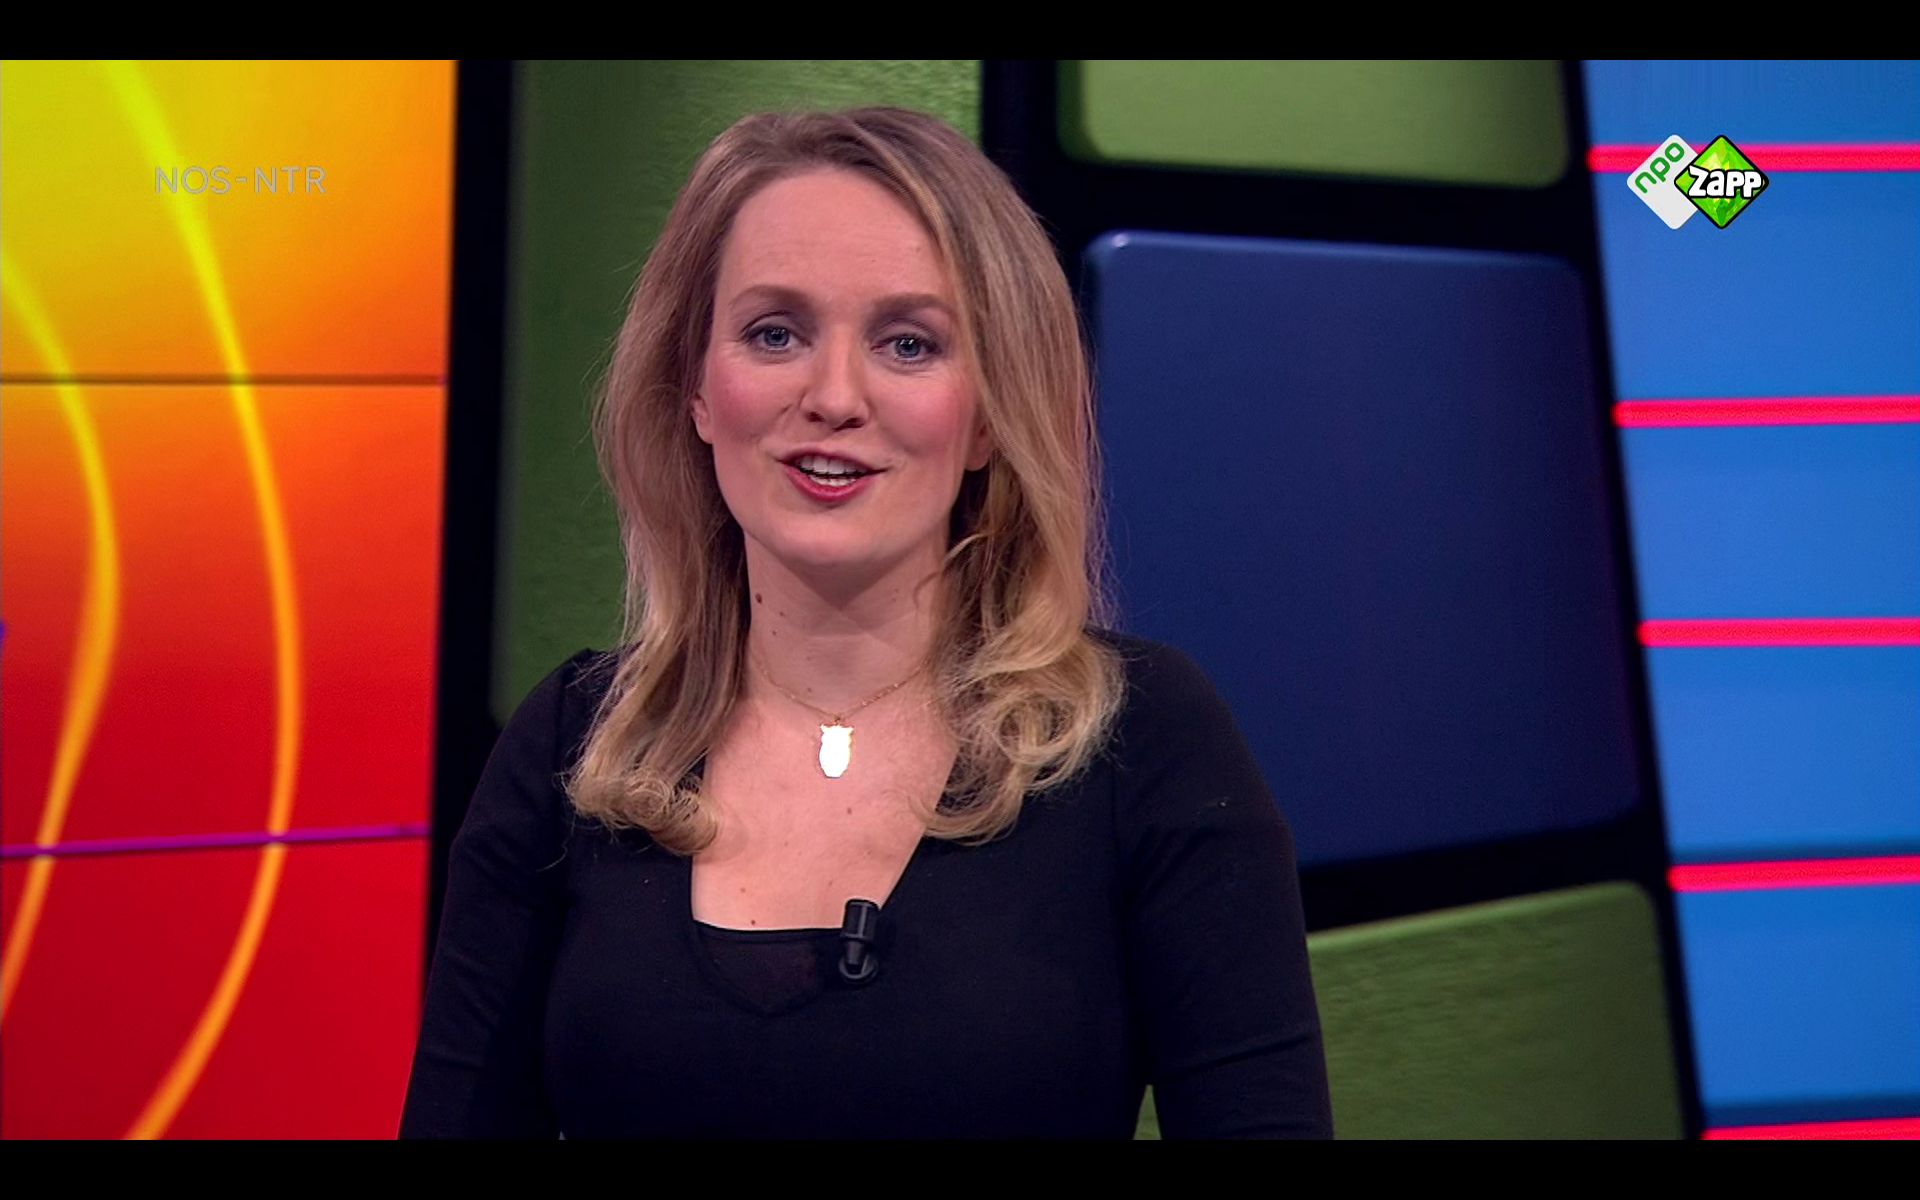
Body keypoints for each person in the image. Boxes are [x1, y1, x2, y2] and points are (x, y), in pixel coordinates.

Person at [398, 106, 1334, 1139]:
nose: (834, 396)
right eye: (775, 333)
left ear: (989, 414)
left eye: (907, 343)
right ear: (696, 388)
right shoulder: (572, 746)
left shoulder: (1144, 740)